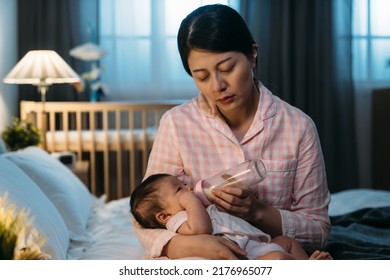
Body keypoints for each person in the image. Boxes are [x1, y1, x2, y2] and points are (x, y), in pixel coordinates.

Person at [133, 4, 331, 259]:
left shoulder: (298, 127)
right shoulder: (176, 124)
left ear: (253, 55)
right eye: (202, 76)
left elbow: (319, 230)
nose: (218, 86)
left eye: (227, 68)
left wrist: (257, 212)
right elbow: (145, 218)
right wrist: (190, 245)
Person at [131, 174, 332, 260]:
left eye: (184, 186)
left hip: (260, 244)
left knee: (287, 242)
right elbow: (202, 230)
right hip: (249, 257)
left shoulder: (199, 208)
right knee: (279, 258)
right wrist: (191, 200)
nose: (188, 188)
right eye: (179, 189)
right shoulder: (179, 221)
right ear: (163, 215)